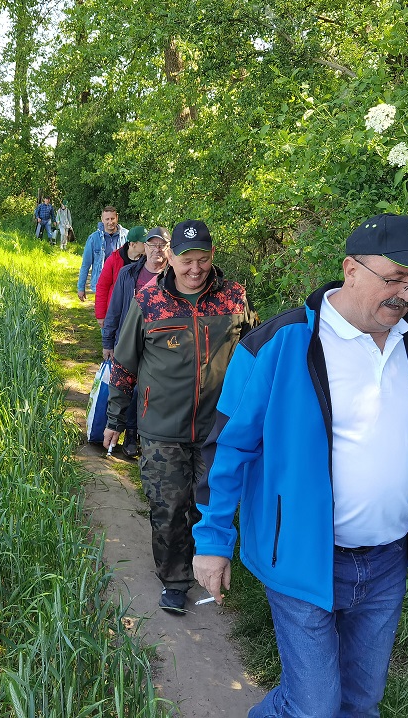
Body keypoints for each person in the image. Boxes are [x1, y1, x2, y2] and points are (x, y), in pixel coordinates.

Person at [192, 213, 408, 718]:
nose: (407, 295)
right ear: (350, 269)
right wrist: (213, 541)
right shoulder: (281, 342)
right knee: (313, 707)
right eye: (393, 278)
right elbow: (227, 447)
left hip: (386, 563)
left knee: (360, 701)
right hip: (302, 556)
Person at [102, 220, 258, 614]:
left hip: (218, 429)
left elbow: (258, 354)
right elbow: (124, 365)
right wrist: (115, 420)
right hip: (161, 428)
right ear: (170, 258)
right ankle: (174, 579)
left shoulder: (234, 298)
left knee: (208, 504)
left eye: (203, 259)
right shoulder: (147, 300)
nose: (195, 268)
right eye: (186, 259)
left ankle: (209, 567)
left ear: (212, 257)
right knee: (169, 507)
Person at [101, 226, 171, 459]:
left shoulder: (174, 278)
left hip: (159, 346)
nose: (157, 250)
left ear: (169, 250)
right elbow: (115, 310)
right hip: (128, 341)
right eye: (152, 245)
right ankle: (130, 434)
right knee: (128, 388)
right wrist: (108, 342)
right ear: (145, 248)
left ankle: (145, 435)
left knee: (149, 390)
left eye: (162, 246)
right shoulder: (128, 274)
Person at [95, 226, 147, 326]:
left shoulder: (148, 260)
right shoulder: (114, 260)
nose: (147, 245)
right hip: (117, 311)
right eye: (144, 243)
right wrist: (101, 315)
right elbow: (102, 286)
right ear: (133, 244)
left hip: (139, 313)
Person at [77, 206, 128, 301]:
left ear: (117, 217)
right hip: (102, 283)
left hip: (121, 284)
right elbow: (85, 265)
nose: (110, 222)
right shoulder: (93, 238)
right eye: (107, 219)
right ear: (102, 219)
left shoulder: (127, 236)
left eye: (112, 218)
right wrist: (81, 287)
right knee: (103, 314)